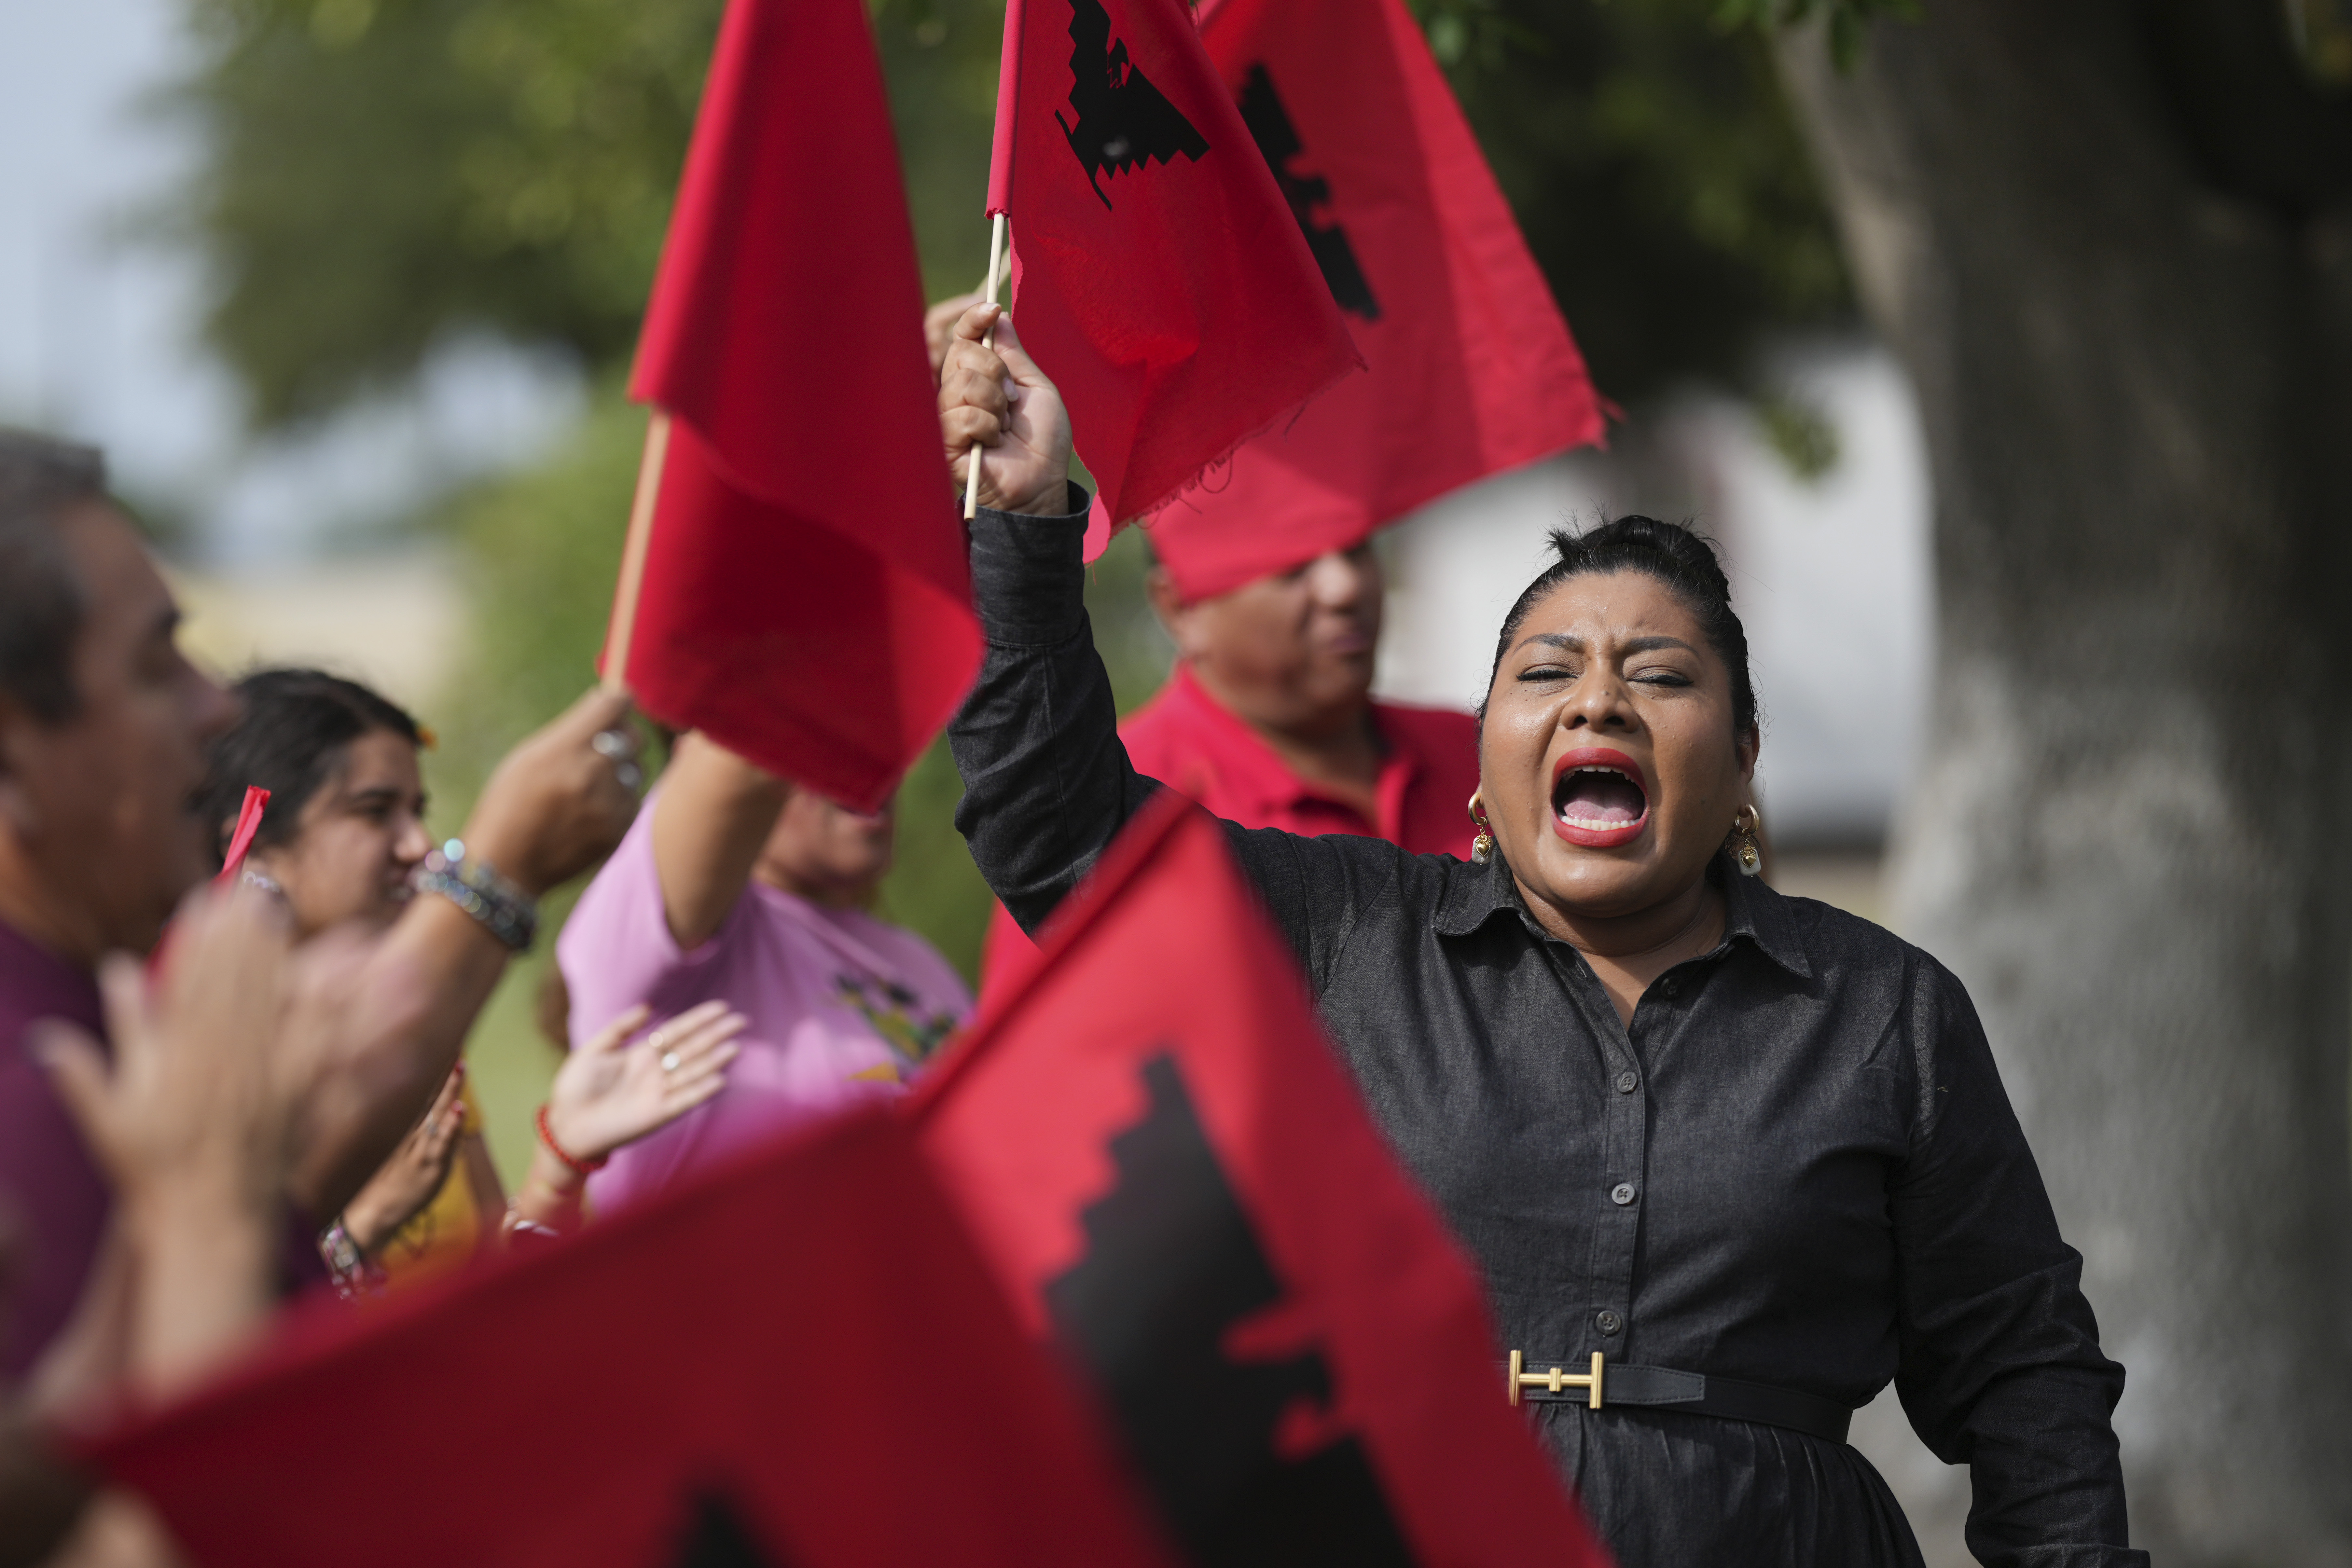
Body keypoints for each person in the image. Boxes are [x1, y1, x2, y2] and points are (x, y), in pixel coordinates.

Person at [936, 304, 2146, 1567]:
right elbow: (1058, 837)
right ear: (1481, 767)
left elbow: (2026, 1379)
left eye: (1661, 676)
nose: (1599, 698)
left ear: (1743, 768)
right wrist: (1020, 522)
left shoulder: (1881, 1010)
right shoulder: (1351, 933)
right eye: (1547, 670)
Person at [0, 429, 639, 1379]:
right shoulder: (31, 1076)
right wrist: (497, 874)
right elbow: (130, 1489)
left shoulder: (113, 1008)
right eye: (151, 668)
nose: (214, 706)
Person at [192, 669, 744, 1289]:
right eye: (376, 812)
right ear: (253, 845)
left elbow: (496, 1309)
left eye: (418, 812)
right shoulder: (196, 1067)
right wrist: (358, 1236)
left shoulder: (425, 1050)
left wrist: (563, 1160)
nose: (420, 845)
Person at [556, 733, 969, 1216]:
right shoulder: (660, 945)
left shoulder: (911, 957)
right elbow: (749, 722)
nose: (872, 754)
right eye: (827, 735)